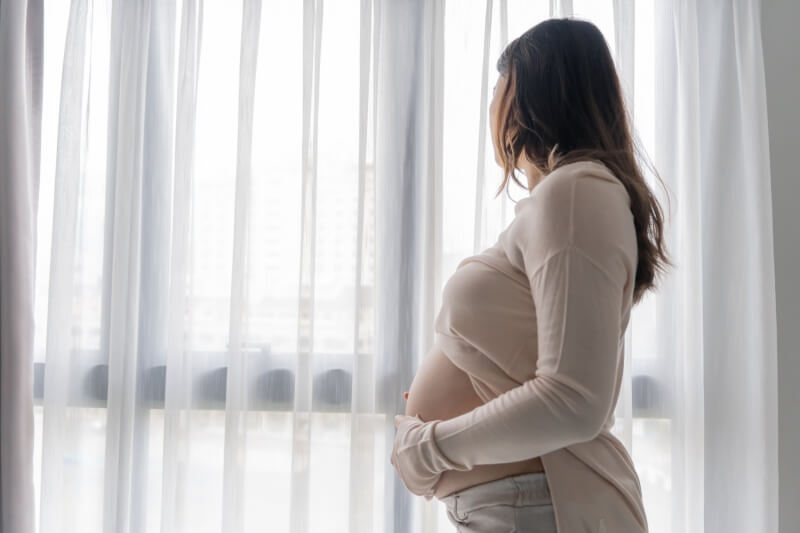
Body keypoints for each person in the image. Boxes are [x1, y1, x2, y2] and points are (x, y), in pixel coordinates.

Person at [390, 17, 673, 532]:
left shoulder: (576, 193)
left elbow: (573, 399)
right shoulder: (569, 198)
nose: (492, 105)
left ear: (531, 95)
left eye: (500, 86)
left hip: (537, 506)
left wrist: (430, 447)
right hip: (523, 504)